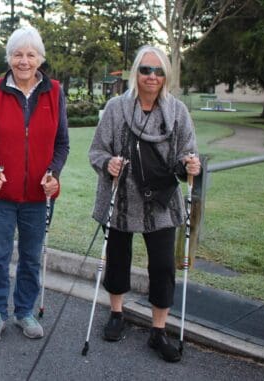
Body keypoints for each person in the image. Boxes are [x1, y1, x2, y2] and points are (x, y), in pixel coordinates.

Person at [88, 45, 201, 363]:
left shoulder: (177, 112)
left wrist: (190, 165)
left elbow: (186, 154)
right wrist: (108, 163)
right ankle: (116, 313)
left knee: (163, 267)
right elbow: (97, 151)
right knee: (118, 259)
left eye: (159, 71)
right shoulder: (115, 109)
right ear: (135, 73)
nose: (152, 76)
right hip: (121, 198)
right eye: (145, 70)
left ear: (167, 76)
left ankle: (159, 330)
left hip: (161, 201)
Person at [0, 26, 69, 344]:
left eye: (30, 54)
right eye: (17, 54)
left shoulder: (54, 92)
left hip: (39, 196)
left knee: (30, 256)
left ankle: (25, 310)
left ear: (40, 59)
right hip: (1, 194)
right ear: (9, 58)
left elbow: (62, 144)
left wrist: (53, 173)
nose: (24, 61)